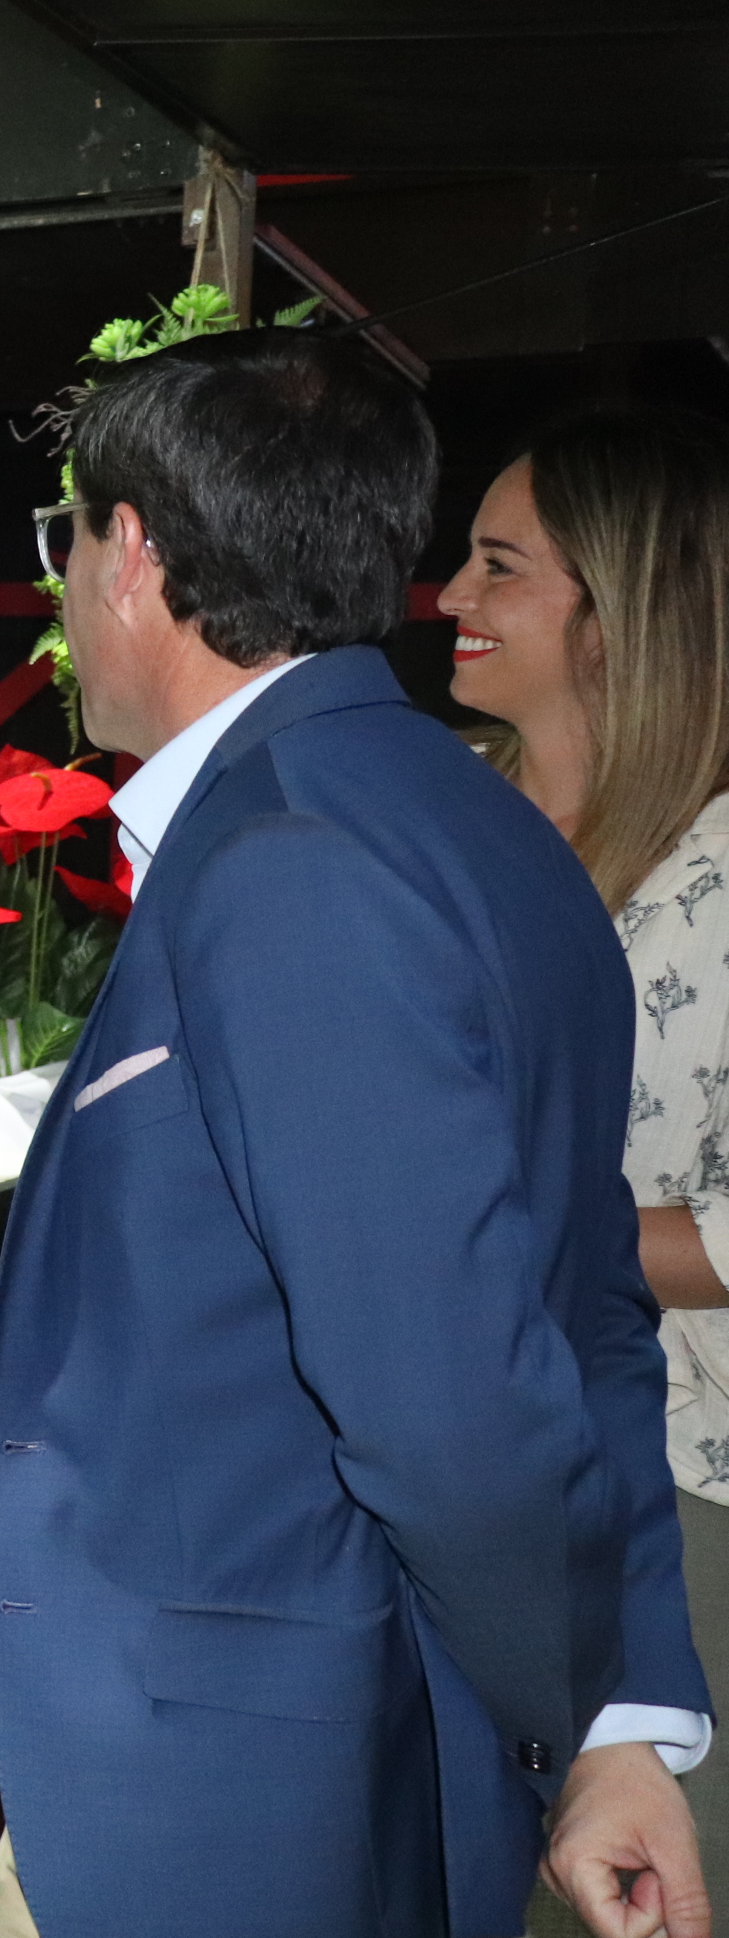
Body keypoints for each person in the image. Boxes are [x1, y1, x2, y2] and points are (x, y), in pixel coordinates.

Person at [0, 329, 708, 1938]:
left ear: (135, 554)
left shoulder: (292, 857)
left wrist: (574, 1728)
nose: (63, 583)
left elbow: (447, 1404)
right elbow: (587, 1308)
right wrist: (618, 1715)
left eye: (66, 537)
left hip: (225, 1804)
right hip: (360, 1745)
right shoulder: (492, 831)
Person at [441, 407, 729, 1923]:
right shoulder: (450, 815)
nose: (451, 595)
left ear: (618, 613)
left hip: (676, 1502)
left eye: (500, 566)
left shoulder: (721, 870)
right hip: (466, 1469)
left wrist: (523, 1234)